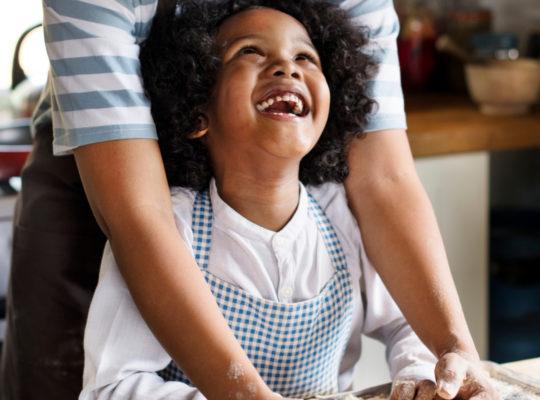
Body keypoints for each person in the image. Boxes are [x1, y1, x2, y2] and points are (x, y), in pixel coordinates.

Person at [0, 0, 496, 399]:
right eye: (251, 52)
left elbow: (385, 189)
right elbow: (138, 223)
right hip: (102, 176)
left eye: (306, 57)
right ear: (197, 112)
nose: (287, 65)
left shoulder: (341, 221)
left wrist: (442, 360)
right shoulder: (181, 223)